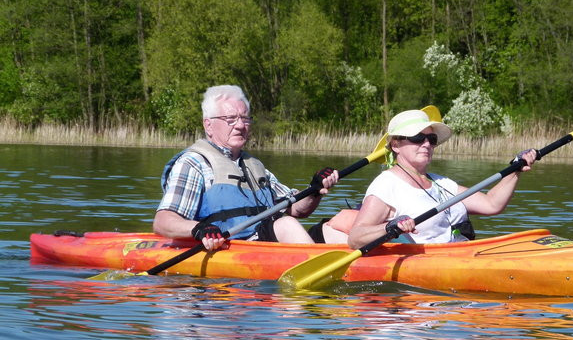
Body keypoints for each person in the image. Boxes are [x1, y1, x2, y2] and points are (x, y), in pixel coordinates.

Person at [153, 85, 339, 250]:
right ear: (208, 125)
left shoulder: (254, 166)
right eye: (230, 119)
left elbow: (297, 209)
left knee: (334, 228)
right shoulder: (193, 163)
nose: (240, 125)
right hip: (231, 248)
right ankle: (320, 272)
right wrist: (199, 228)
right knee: (286, 224)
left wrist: (314, 189)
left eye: (245, 118)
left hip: (265, 243)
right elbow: (163, 221)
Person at [347, 109, 537, 248]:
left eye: (431, 139)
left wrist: (515, 168)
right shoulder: (386, 185)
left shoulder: (442, 183)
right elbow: (355, 238)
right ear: (396, 145)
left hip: (460, 254)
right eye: (417, 138)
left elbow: (492, 204)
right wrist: (390, 227)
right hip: (427, 267)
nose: (426, 144)